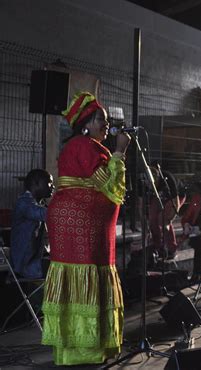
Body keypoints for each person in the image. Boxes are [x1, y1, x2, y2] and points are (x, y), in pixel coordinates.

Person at [41, 92, 131, 365]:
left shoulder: (86, 145)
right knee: (84, 272)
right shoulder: (84, 146)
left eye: (106, 119)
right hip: (78, 224)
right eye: (100, 120)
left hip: (82, 223)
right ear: (85, 123)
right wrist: (120, 152)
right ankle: (82, 351)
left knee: (85, 274)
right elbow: (109, 184)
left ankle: (83, 349)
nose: (106, 124)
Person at [10, 169, 54, 279]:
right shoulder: (24, 203)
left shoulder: (40, 203)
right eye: (49, 183)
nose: (53, 186)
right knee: (66, 268)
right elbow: (48, 214)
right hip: (25, 265)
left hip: (35, 260)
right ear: (36, 183)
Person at [149, 166, 184, 260]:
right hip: (160, 197)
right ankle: (158, 247)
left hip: (175, 197)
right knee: (153, 219)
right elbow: (140, 204)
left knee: (163, 218)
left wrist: (169, 219)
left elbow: (175, 203)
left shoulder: (167, 179)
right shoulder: (144, 183)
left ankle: (172, 248)